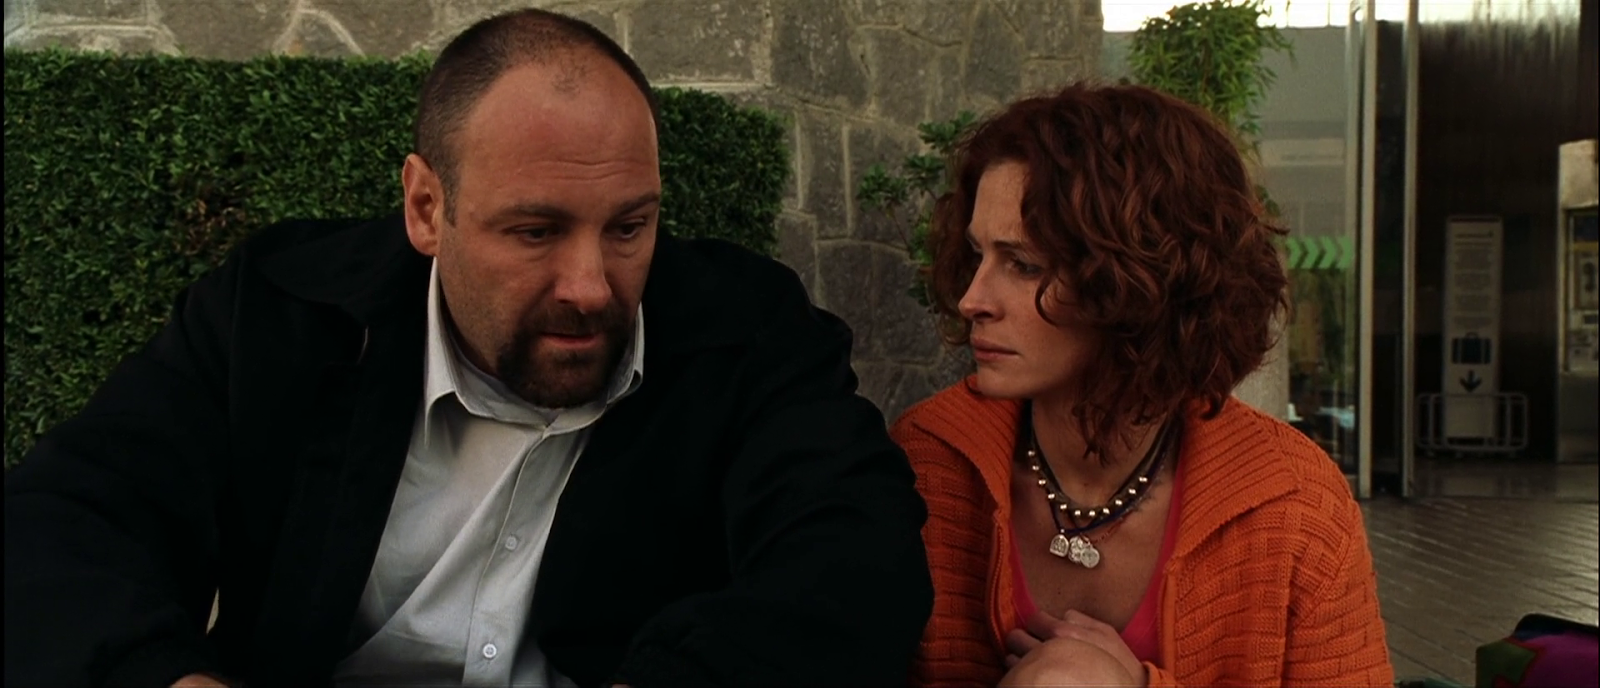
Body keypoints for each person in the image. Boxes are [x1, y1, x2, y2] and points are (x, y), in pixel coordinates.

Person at [3, 8, 933, 688]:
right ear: (426, 208)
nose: (591, 285)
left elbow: (857, 561)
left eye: (629, 226)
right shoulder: (280, 316)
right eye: (535, 231)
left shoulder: (746, 332)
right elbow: (60, 524)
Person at [891, 83, 1394, 687]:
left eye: (1023, 265)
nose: (973, 299)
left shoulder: (1294, 504)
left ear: (1137, 281)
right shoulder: (927, 463)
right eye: (978, 256)